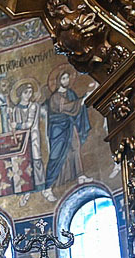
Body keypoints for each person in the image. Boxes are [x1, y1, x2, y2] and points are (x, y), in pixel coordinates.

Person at [42, 67, 92, 202]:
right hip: (58, 130)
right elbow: (66, 107)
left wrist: (81, 101)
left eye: (67, 78)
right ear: (59, 81)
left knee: (76, 147)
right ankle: (48, 188)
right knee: (56, 155)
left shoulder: (71, 93)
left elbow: (75, 110)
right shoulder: (55, 97)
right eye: (63, 78)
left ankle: (80, 176)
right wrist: (82, 100)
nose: (66, 80)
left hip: (70, 125)